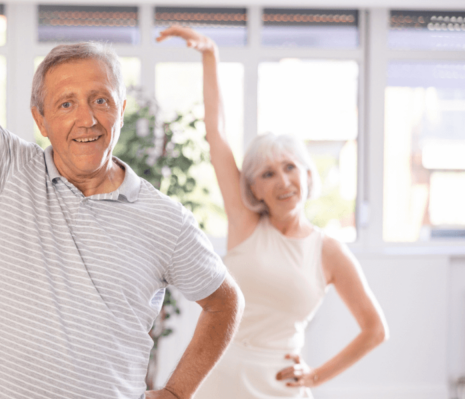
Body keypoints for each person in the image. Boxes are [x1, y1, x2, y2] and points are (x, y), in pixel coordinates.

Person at [0, 1, 245, 398]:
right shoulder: (9, 168)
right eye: (66, 103)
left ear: (120, 110)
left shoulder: (166, 220)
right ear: (41, 119)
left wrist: (176, 392)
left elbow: (225, 303)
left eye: (100, 100)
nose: (86, 118)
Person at [155, 26, 389, 398]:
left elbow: (375, 329)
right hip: (220, 376)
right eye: (268, 173)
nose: (282, 181)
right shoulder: (246, 223)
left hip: (280, 386)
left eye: (290, 167)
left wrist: (315, 376)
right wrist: (211, 57)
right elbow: (217, 135)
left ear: (307, 174)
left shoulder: (328, 251)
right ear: (254, 189)